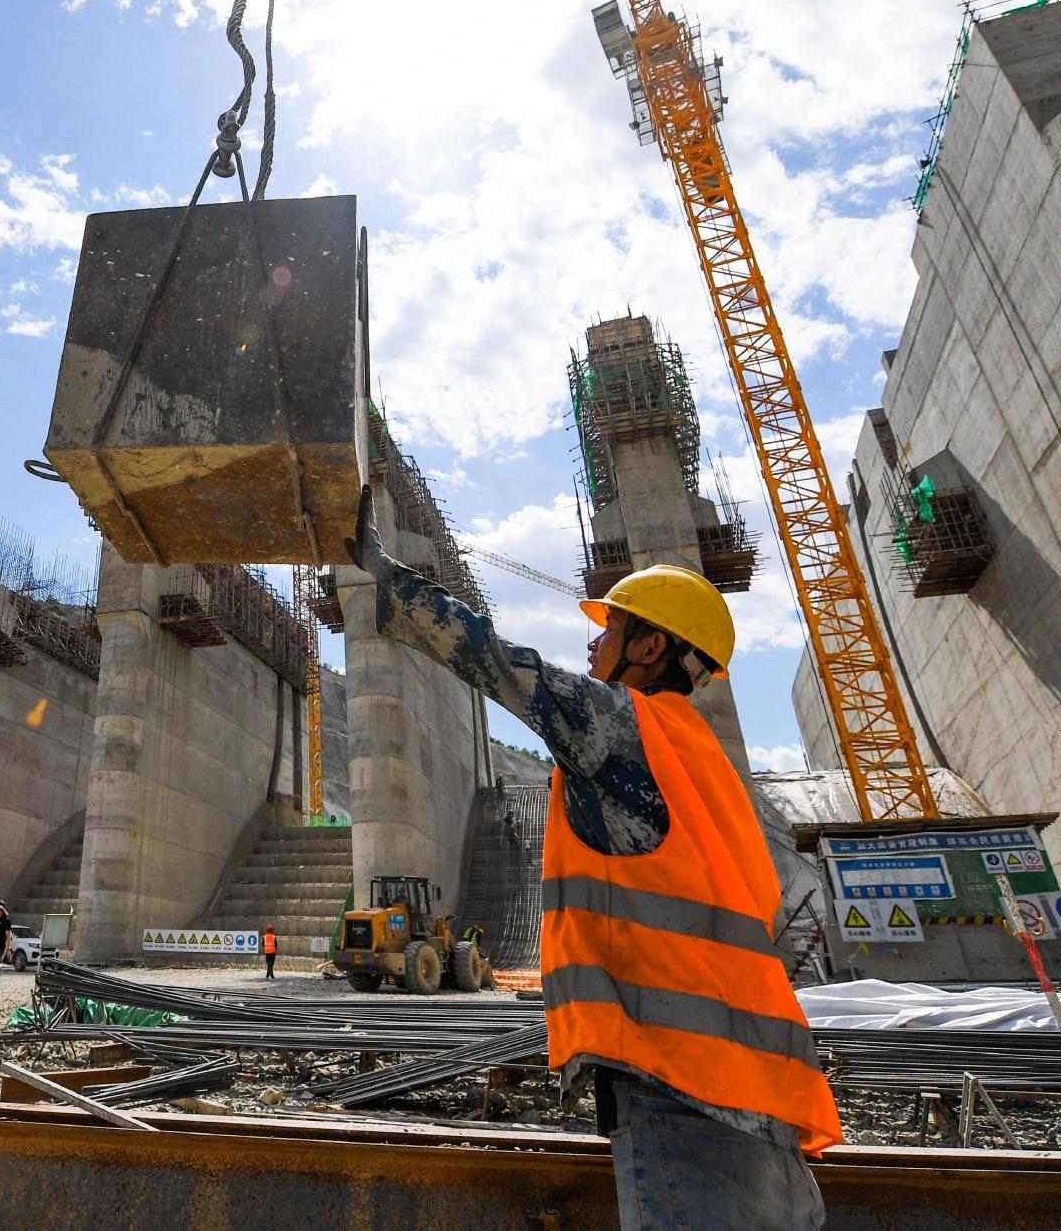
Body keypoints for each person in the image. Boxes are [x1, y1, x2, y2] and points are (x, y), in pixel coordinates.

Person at [344, 487, 839, 1229]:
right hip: (761, 1091)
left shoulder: (623, 726)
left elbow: (501, 665)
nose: (592, 642)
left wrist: (388, 582)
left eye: (610, 628)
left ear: (650, 647)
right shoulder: (707, 770)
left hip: (683, 1091)